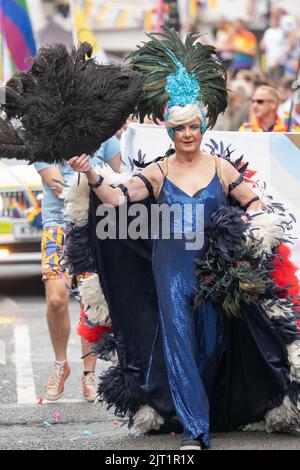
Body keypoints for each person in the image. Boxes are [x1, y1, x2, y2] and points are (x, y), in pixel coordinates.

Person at [67, 29, 300, 450]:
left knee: (211, 345)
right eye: (179, 129)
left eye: (193, 127)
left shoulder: (222, 169)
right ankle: (196, 431)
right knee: (179, 342)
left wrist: (259, 226)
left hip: (214, 273)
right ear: (170, 132)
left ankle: (209, 408)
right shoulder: (158, 171)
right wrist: (91, 173)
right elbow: (118, 199)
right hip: (170, 267)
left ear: (204, 127)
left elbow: (254, 203)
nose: (187, 134)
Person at [34, 136, 121, 402]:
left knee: (89, 298)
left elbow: (121, 175)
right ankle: (61, 364)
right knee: (57, 298)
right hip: (57, 225)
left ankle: (88, 373)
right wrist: (93, 179)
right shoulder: (44, 136)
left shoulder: (103, 135)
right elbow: (57, 185)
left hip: (93, 224)